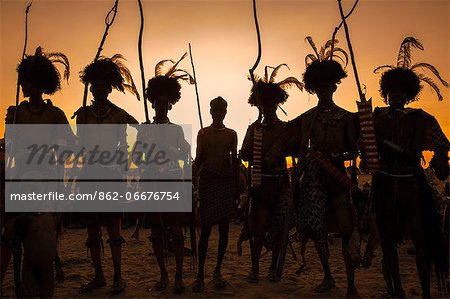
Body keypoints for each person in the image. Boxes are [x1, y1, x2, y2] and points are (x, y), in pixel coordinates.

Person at [267, 38, 360, 297]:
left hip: (338, 176)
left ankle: (351, 284)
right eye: (319, 87)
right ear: (315, 88)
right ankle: (328, 275)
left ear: (334, 85)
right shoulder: (308, 119)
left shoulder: (347, 118)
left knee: (345, 226)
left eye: (327, 85)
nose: (324, 90)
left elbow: (356, 149)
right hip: (313, 178)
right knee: (316, 228)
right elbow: (288, 143)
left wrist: (340, 154)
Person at [371, 37, 449, 298]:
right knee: (384, 239)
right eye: (392, 91)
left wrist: (440, 163)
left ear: (408, 95)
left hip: (412, 183)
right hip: (383, 183)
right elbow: (364, 144)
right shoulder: (375, 118)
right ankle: (397, 290)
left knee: (422, 238)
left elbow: (442, 144)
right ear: (386, 93)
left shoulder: (422, 119)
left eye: (400, 92)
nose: (396, 95)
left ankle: (426, 291)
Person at [2, 47, 72, 297]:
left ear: (41, 85)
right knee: (13, 236)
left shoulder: (55, 115)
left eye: (29, 82)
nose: (25, 86)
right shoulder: (15, 113)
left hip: (46, 184)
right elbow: (9, 146)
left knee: (41, 244)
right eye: (24, 82)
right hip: (19, 181)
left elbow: (70, 147)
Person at [74, 54, 139, 295]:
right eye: (95, 86)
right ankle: (99, 275)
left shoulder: (120, 115)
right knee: (92, 229)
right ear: (91, 88)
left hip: (112, 177)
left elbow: (140, 130)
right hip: (89, 175)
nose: (98, 89)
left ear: (109, 89)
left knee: (113, 229)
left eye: (103, 86)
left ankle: (118, 277)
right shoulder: (83, 115)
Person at [136, 53, 192, 294]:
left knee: (177, 232)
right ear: (152, 104)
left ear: (169, 104)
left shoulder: (177, 130)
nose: (160, 106)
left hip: (172, 184)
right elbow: (136, 158)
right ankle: (164, 275)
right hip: (150, 184)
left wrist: (172, 151)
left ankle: (179, 276)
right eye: (156, 103)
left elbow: (185, 155)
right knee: (157, 233)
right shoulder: (144, 129)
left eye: (164, 103)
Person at [241, 64, 302, 283]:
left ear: (277, 104)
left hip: (281, 183)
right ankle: (255, 269)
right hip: (260, 184)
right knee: (259, 229)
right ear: (260, 106)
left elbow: (296, 151)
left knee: (279, 228)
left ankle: (274, 268)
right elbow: (244, 154)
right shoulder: (254, 129)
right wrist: (251, 151)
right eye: (264, 105)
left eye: (271, 105)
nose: (268, 108)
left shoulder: (286, 129)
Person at [192, 96, 238, 292]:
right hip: (208, 183)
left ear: (225, 112)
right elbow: (199, 158)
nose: (218, 113)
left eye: (221, 110)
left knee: (224, 231)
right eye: (215, 110)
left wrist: (236, 187)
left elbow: (234, 162)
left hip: (226, 183)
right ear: (210, 112)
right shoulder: (203, 133)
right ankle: (200, 274)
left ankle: (217, 270)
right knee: (206, 231)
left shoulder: (231, 134)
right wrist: (191, 176)